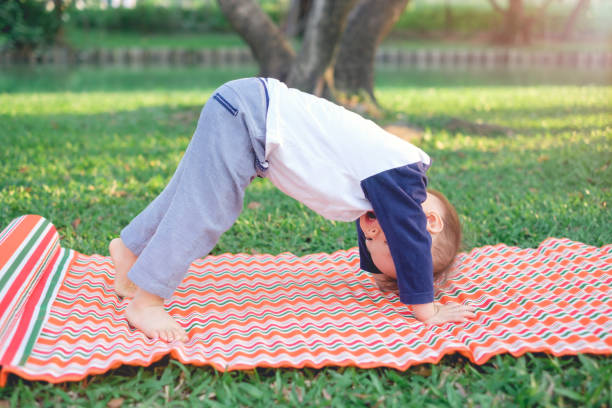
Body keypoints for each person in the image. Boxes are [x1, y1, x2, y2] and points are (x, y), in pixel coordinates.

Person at [109, 77, 476, 343]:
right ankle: (148, 301)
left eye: (371, 240)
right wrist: (427, 309)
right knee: (208, 213)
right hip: (250, 117)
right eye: (389, 239)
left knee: (186, 194)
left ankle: (129, 250)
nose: (372, 232)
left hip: (247, 110)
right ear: (427, 221)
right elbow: (406, 230)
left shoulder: (383, 184)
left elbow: (396, 227)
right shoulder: (402, 175)